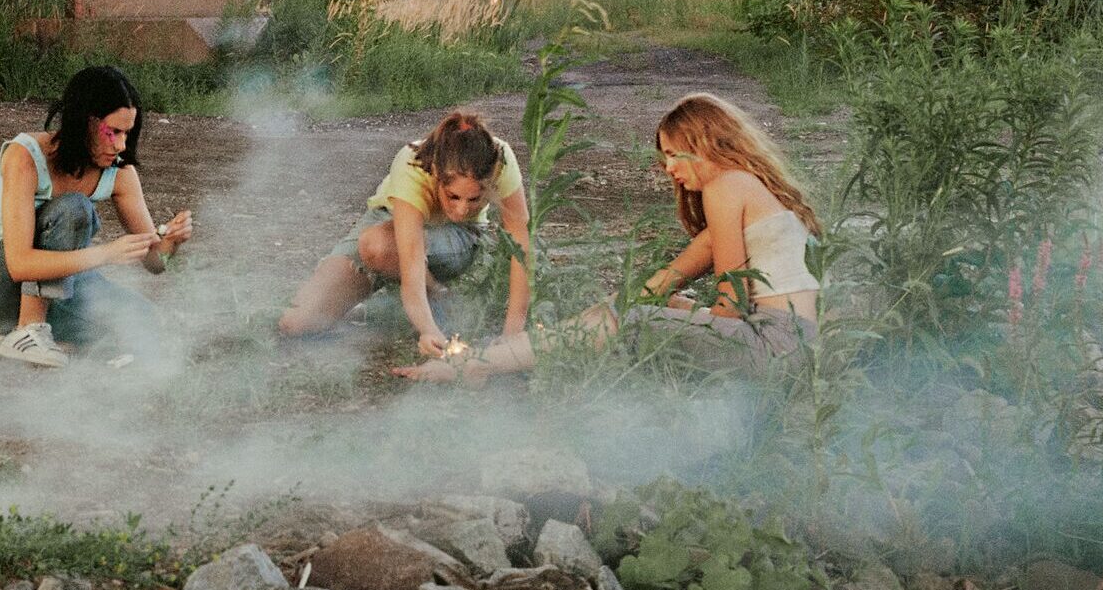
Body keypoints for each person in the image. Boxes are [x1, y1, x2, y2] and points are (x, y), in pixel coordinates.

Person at [396, 92, 820, 381]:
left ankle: (479, 364)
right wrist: (613, 307)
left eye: (673, 154)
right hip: (792, 342)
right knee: (633, 306)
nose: (667, 167)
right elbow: (660, 284)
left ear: (703, 144)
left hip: (776, 345)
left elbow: (731, 309)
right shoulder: (747, 188)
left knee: (629, 321)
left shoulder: (726, 186)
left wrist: (618, 316)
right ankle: (490, 359)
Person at [0, 66, 194, 367]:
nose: (121, 145)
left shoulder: (119, 172)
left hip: (56, 286)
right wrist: (105, 254)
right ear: (86, 123)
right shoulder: (25, 155)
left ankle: (17, 336)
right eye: (113, 132)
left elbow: (155, 263)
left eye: (127, 133)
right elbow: (18, 265)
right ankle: (28, 331)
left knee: (143, 323)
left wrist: (171, 243)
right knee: (74, 209)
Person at [276, 112, 533, 357]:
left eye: (474, 199)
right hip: (388, 222)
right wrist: (428, 330)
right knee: (296, 323)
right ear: (436, 173)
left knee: (380, 244)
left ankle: (434, 302)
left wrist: (513, 333)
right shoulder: (412, 161)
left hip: (459, 235)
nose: (462, 208)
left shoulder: (500, 161)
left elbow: (520, 249)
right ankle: (425, 299)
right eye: (453, 196)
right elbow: (410, 261)